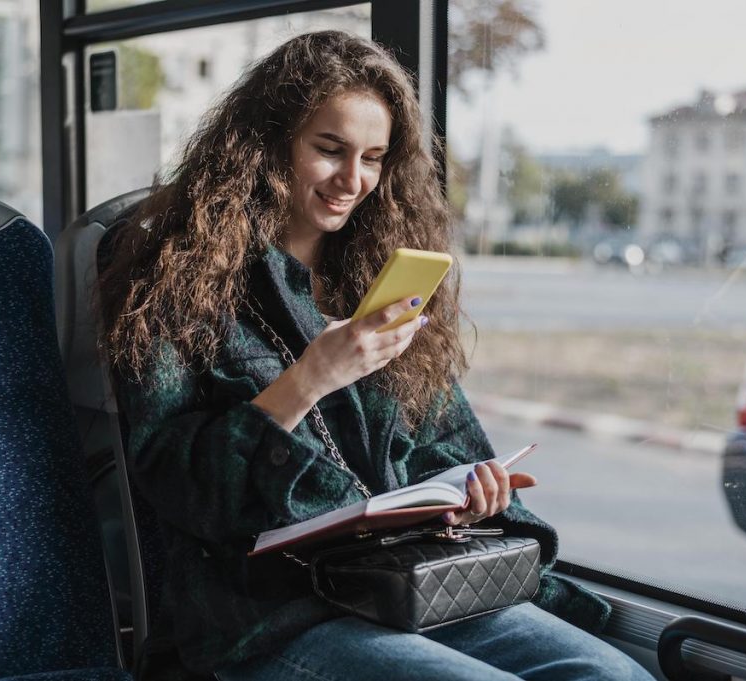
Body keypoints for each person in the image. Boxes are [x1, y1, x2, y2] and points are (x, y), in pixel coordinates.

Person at [99, 30, 654, 681]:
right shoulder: (174, 275)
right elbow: (170, 478)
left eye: (373, 157)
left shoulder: (377, 270)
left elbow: (442, 440)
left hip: (406, 582)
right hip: (269, 611)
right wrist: (309, 379)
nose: (354, 180)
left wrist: (471, 496)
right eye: (329, 150)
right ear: (270, 139)